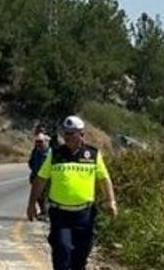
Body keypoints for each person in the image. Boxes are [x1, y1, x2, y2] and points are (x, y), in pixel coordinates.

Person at [25, 115, 117, 270]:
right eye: (65, 133)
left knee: (80, 257)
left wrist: (111, 201)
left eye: (71, 133)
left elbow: (104, 179)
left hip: (84, 215)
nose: (67, 137)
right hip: (60, 215)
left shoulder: (92, 155)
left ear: (81, 135)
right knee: (62, 250)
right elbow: (40, 179)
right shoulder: (55, 154)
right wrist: (32, 203)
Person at [28, 132, 51, 219]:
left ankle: (46, 212)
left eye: (40, 142)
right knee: (39, 196)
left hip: (47, 178)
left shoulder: (50, 152)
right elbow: (31, 162)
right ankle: (43, 211)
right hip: (36, 176)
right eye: (37, 141)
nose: (38, 143)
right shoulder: (36, 152)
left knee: (46, 196)